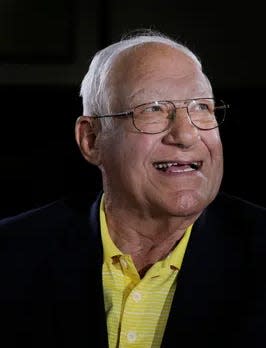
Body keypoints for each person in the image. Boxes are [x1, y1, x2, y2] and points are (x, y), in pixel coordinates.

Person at [0, 29, 265, 348]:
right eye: (152, 109)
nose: (186, 135)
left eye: (201, 108)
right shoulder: (11, 254)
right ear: (91, 139)